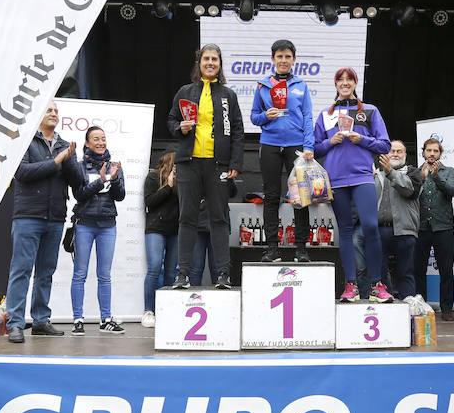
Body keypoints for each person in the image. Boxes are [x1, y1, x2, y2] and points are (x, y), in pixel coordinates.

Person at [167, 43, 244, 289]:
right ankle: (183, 274)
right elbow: (171, 120)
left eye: (215, 59)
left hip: (218, 164)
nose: (210, 63)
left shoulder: (228, 95)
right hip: (189, 163)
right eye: (206, 59)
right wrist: (180, 128)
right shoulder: (185, 91)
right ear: (199, 63)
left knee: (219, 219)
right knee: (186, 218)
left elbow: (238, 130)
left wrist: (235, 162)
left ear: (220, 65)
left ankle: (223, 274)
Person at [314, 67, 392, 303]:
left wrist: (363, 139)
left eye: (349, 79)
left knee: (370, 226)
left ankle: (377, 285)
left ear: (355, 83)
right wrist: (330, 141)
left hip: (362, 177)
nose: (345, 83)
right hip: (336, 179)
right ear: (336, 84)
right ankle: (351, 286)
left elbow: (385, 145)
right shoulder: (325, 115)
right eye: (341, 79)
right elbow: (315, 149)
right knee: (345, 231)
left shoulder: (369, 111)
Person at [5, 102, 81, 344]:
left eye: (56, 111)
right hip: (28, 215)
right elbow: (22, 173)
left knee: (46, 272)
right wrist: (56, 161)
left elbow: (78, 181)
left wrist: (67, 159)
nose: (53, 113)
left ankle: (40, 321)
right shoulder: (25, 140)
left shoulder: (64, 145)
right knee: (21, 271)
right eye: (49, 110)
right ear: (37, 114)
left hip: (55, 217)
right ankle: (15, 324)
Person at [251, 39, 314, 263]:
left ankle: (301, 248)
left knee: (300, 197)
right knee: (271, 196)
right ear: (273, 60)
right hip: (269, 144)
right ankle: (271, 249)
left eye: (288, 56)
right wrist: (265, 116)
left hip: (296, 146)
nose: (284, 60)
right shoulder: (262, 85)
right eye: (279, 56)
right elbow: (254, 117)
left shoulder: (301, 85)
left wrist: (308, 146)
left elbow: (307, 117)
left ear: (294, 59)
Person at [70, 126, 126, 335]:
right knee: (80, 274)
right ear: (87, 143)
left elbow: (120, 196)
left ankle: (106, 319)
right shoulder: (79, 166)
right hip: (85, 224)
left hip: (107, 226)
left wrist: (115, 178)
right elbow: (79, 195)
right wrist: (101, 181)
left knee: (104, 275)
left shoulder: (114, 165)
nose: (101, 142)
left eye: (103, 138)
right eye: (96, 139)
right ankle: (78, 320)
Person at [415, 138, 454, 321]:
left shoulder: (449, 171)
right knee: (418, 270)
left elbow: (452, 190)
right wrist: (422, 178)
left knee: (446, 269)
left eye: (435, 151)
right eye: (429, 150)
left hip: (443, 227)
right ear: (423, 152)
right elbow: (408, 193)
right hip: (421, 227)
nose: (432, 154)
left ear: (440, 153)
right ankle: (420, 305)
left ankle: (447, 308)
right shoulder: (416, 172)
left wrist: (436, 177)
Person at [375, 140, 422, 300]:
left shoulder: (413, 172)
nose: (395, 154)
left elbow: (409, 190)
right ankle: (388, 306)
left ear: (405, 155)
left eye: (399, 151)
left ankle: (408, 308)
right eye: (392, 151)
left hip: (405, 229)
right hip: (380, 229)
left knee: (405, 272)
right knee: (379, 271)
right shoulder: (375, 173)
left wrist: (390, 173)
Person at [142, 150, 178, 328]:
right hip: (156, 228)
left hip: (176, 230)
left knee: (171, 272)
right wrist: (168, 187)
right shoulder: (153, 177)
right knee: (155, 267)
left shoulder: (183, 181)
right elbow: (150, 202)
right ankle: (148, 311)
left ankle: (168, 309)